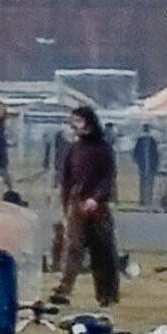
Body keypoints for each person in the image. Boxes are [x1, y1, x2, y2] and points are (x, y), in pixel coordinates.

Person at [46, 94, 124, 310]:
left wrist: (96, 199)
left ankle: (107, 295)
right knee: (72, 250)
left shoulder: (102, 149)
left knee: (104, 252)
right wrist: (65, 207)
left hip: (97, 209)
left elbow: (108, 177)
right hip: (75, 206)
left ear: (89, 123)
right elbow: (66, 178)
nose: (74, 126)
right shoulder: (75, 148)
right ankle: (62, 291)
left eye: (78, 121)